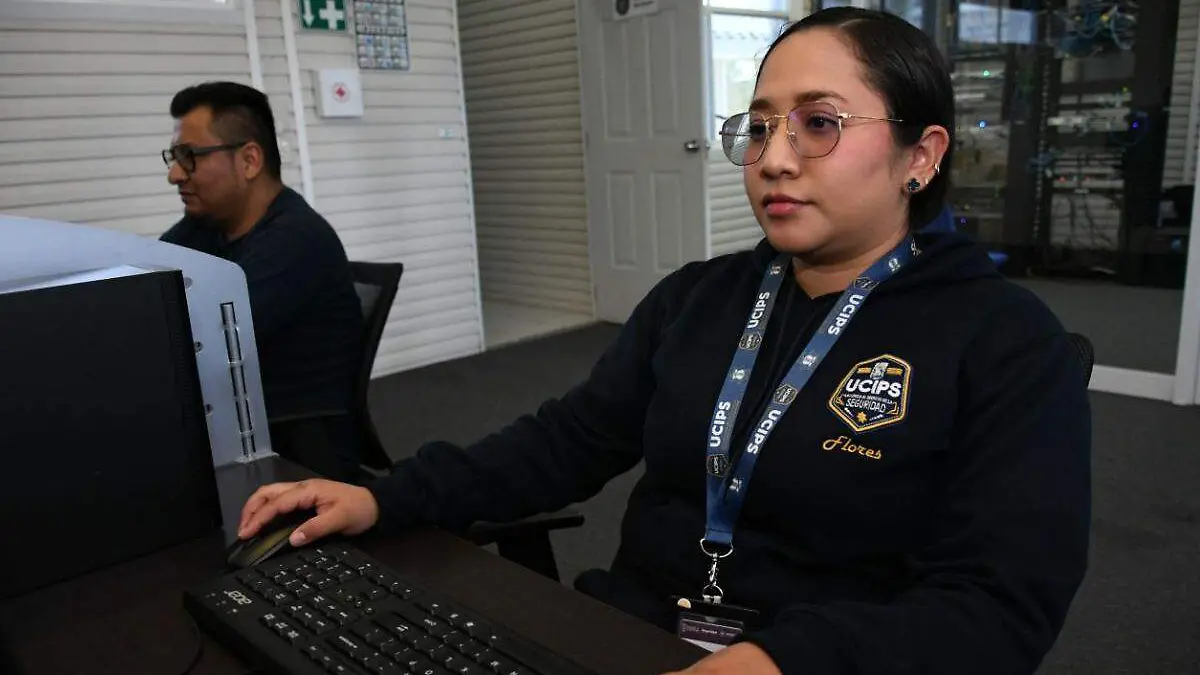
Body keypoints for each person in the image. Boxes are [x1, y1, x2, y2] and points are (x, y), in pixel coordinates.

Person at [237, 8, 1091, 674]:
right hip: (632, 632)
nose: (775, 158)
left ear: (921, 154)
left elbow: (999, 603)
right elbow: (569, 439)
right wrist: (392, 496)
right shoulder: (702, 296)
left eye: (818, 124)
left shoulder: (1006, 343)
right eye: (759, 127)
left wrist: (788, 658)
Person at [159, 81, 365, 482]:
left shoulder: (296, 240)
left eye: (189, 157)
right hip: (236, 429)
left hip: (293, 455)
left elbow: (201, 347)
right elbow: (146, 282)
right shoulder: (207, 227)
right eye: (173, 156)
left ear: (250, 160)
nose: (174, 174)